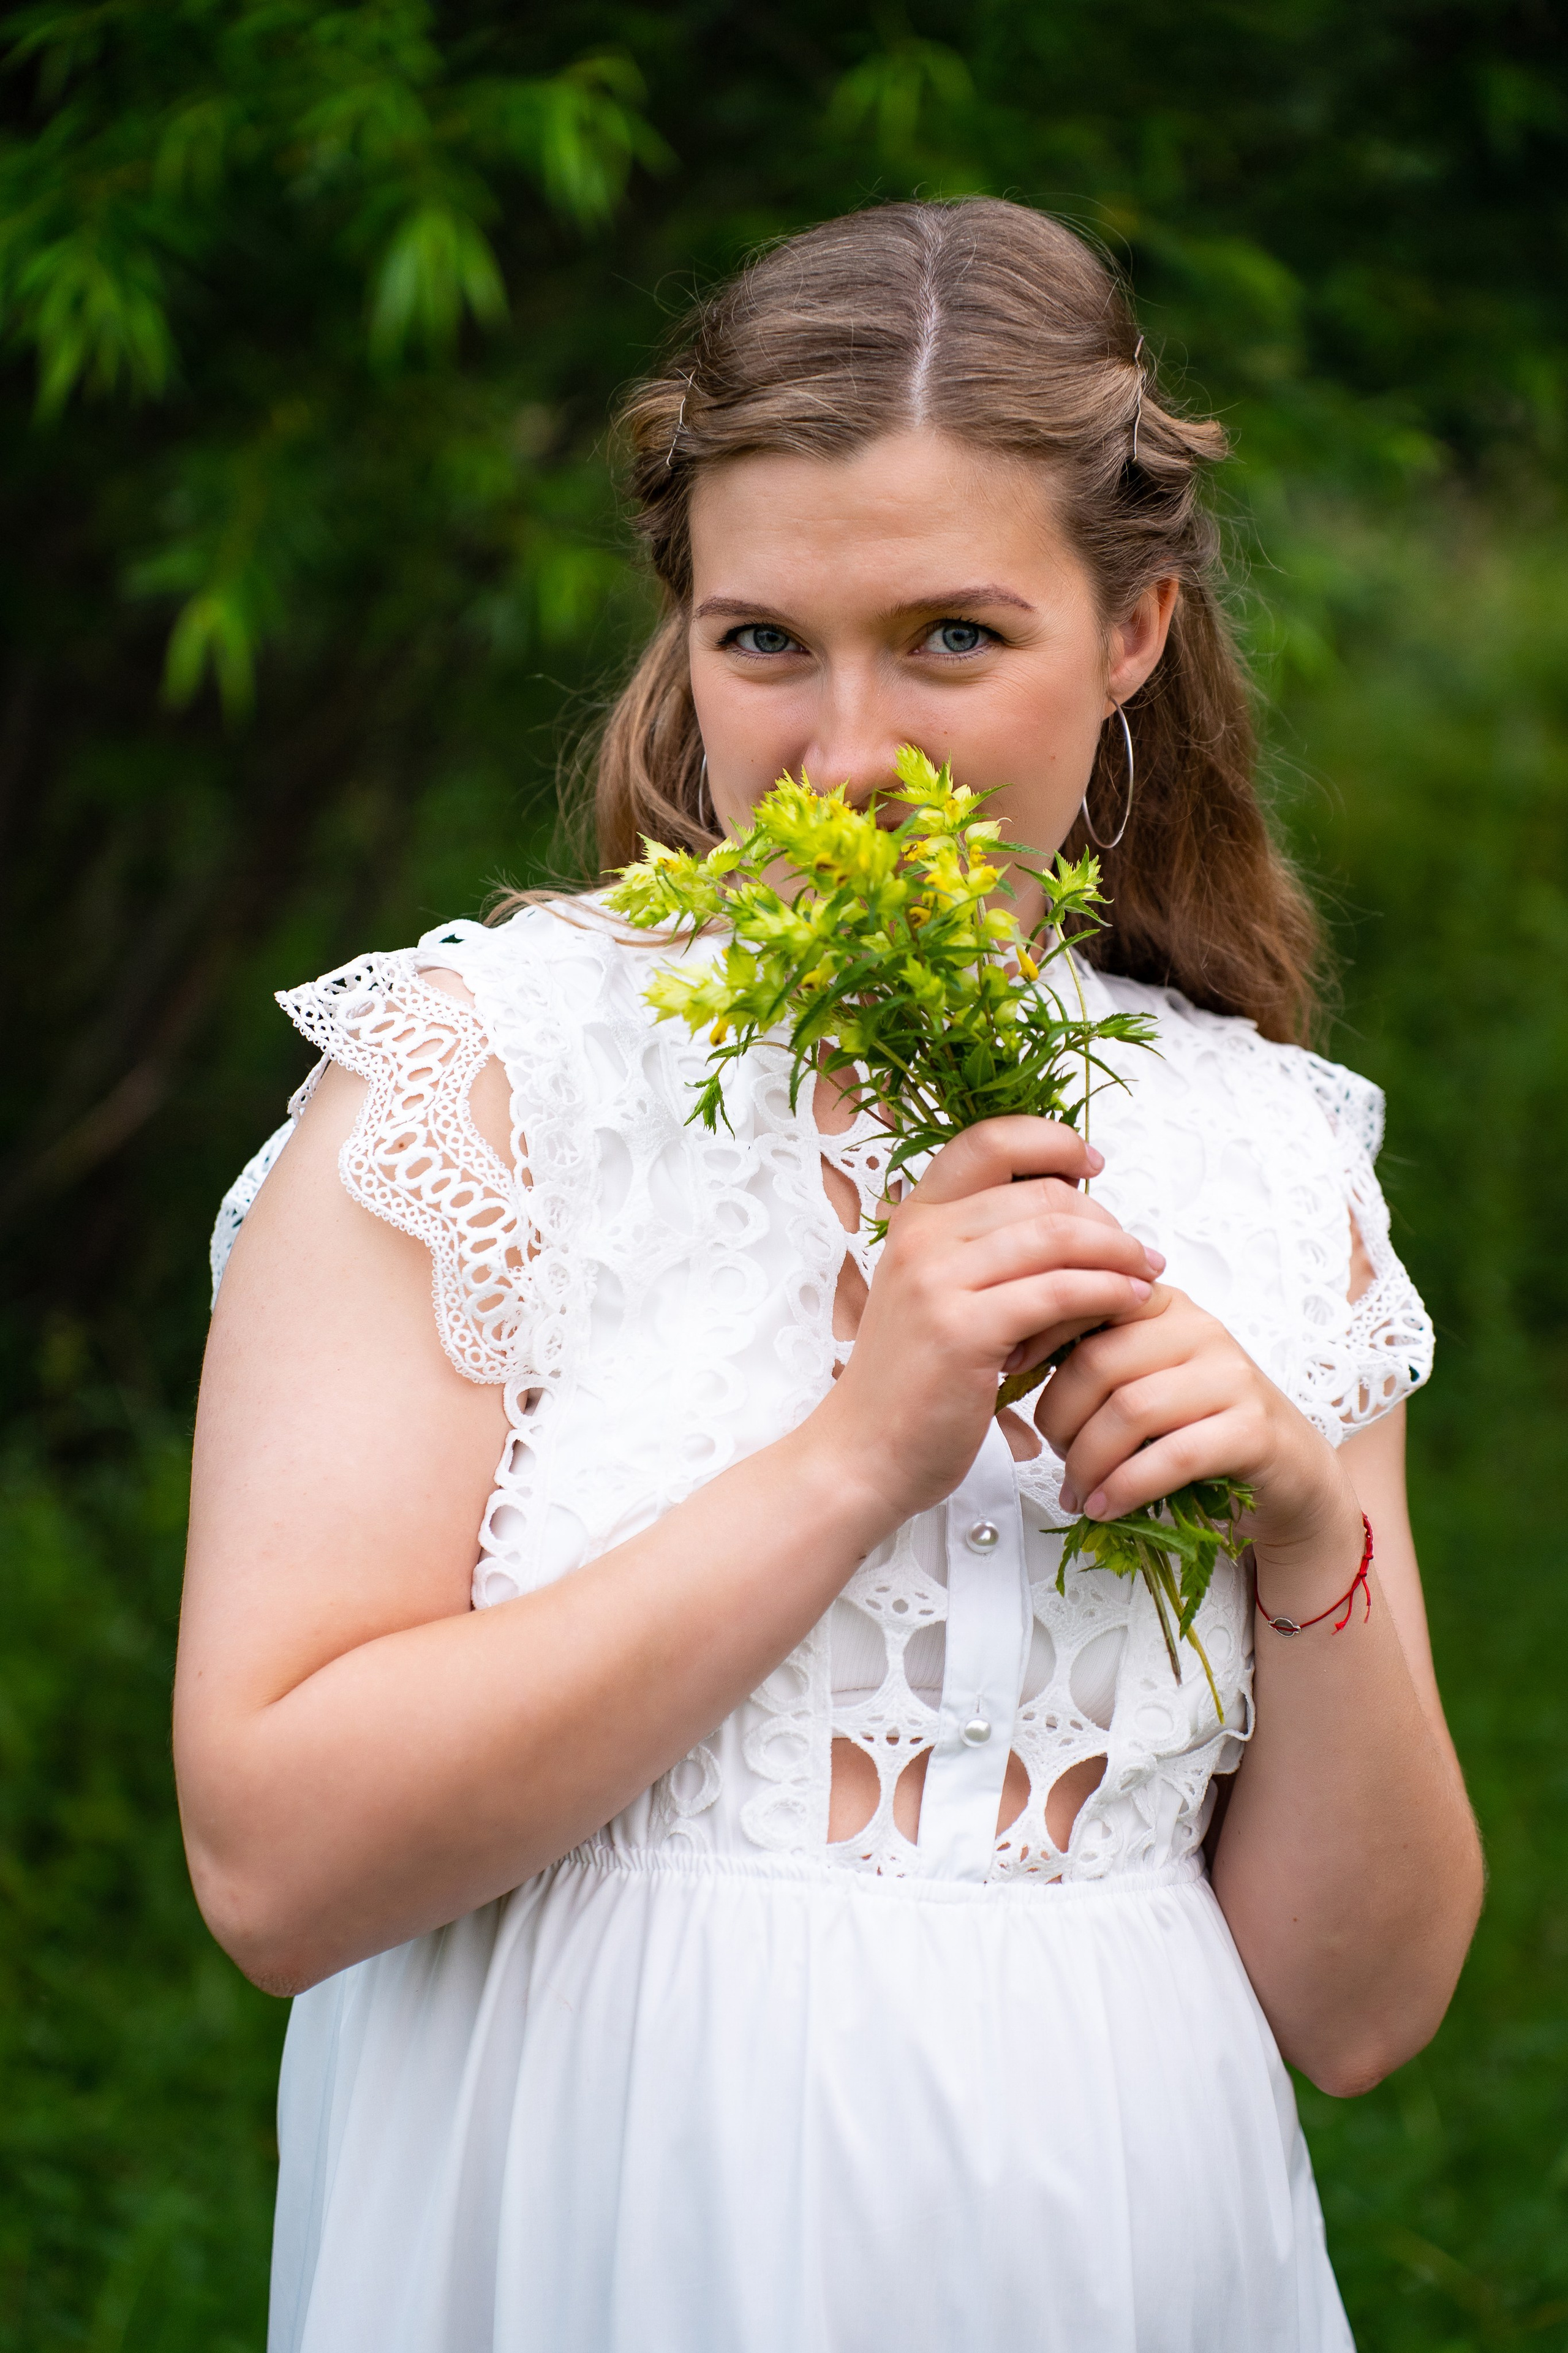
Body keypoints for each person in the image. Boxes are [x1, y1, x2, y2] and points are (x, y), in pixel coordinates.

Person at [176, 198, 1483, 2353]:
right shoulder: (490, 1078)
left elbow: (1360, 2009)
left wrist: (1310, 1527)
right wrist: (858, 1455)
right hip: (597, 2243)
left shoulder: (1267, 1154)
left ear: (1138, 629)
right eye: (767, 640)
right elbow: (274, 1868)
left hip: (1117, 2256)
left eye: (955, 638)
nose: (847, 752)